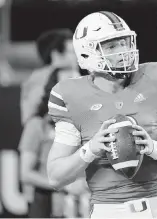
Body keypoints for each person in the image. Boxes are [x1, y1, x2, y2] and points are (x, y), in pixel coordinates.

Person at [47, 11, 157, 218]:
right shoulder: (71, 96)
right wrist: (90, 149)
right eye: (111, 46)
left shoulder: (155, 79)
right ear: (86, 53)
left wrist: (154, 148)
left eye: (124, 43)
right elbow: (56, 177)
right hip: (111, 210)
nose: (122, 51)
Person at [19, 68, 89, 218]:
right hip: (50, 206)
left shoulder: (90, 124)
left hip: (86, 205)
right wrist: (67, 186)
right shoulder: (37, 125)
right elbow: (26, 173)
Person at [20, 28, 79, 125]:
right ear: (56, 54)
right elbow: (30, 118)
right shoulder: (40, 79)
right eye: (72, 52)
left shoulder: (74, 75)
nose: (77, 56)